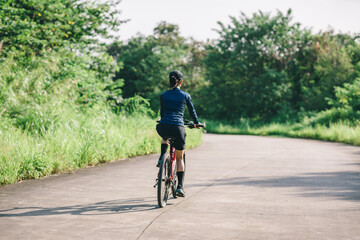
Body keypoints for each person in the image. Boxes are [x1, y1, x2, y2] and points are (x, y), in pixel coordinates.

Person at [156, 70, 201, 197]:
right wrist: (196, 123)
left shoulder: (163, 95)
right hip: (178, 128)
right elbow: (192, 112)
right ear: (181, 81)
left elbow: (163, 114)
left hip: (164, 125)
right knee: (180, 157)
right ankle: (180, 187)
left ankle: (161, 157)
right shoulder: (185, 95)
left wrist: (163, 119)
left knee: (165, 136)